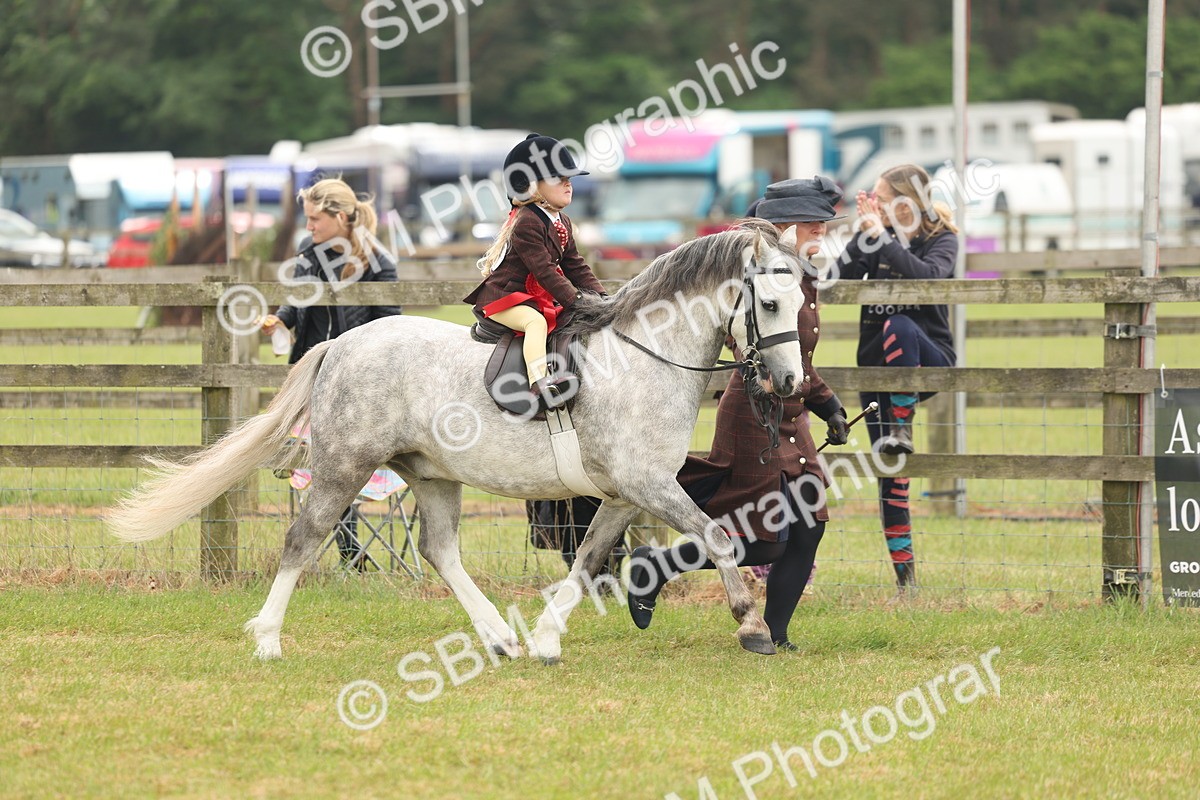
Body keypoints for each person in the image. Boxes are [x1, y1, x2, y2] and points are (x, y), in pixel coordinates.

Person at [626, 176, 850, 652]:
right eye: (816, 225)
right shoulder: (757, 274)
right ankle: (657, 566)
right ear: (787, 227)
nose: (823, 233)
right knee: (768, 539)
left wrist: (825, 403)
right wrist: (812, 394)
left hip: (793, 416)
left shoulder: (804, 277)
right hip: (754, 413)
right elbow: (746, 336)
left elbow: (799, 357)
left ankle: (778, 634)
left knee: (809, 528)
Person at [260, 177, 403, 567]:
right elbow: (297, 297)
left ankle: (348, 549)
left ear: (340, 217)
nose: (309, 228)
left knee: (343, 460)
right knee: (325, 461)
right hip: (311, 368)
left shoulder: (377, 262)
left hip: (355, 381)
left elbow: (391, 325)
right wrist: (281, 320)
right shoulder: (309, 253)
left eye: (315, 220)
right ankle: (349, 550)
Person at [836, 163, 958, 592]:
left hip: (929, 361)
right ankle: (907, 583)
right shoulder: (876, 237)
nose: (874, 204)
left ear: (907, 201)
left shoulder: (940, 240)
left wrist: (883, 237)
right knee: (892, 472)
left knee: (901, 325)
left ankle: (901, 427)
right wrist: (865, 234)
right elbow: (838, 278)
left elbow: (925, 277)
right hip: (877, 370)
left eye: (882, 198)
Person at [463, 133, 607, 409]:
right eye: (557, 178)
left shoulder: (561, 220)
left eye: (569, 178)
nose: (568, 183)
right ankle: (540, 383)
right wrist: (576, 300)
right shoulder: (527, 222)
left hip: (532, 296)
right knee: (535, 323)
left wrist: (601, 297)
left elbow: (574, 264)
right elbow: (544, 271)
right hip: (504, 298)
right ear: (530, 186)